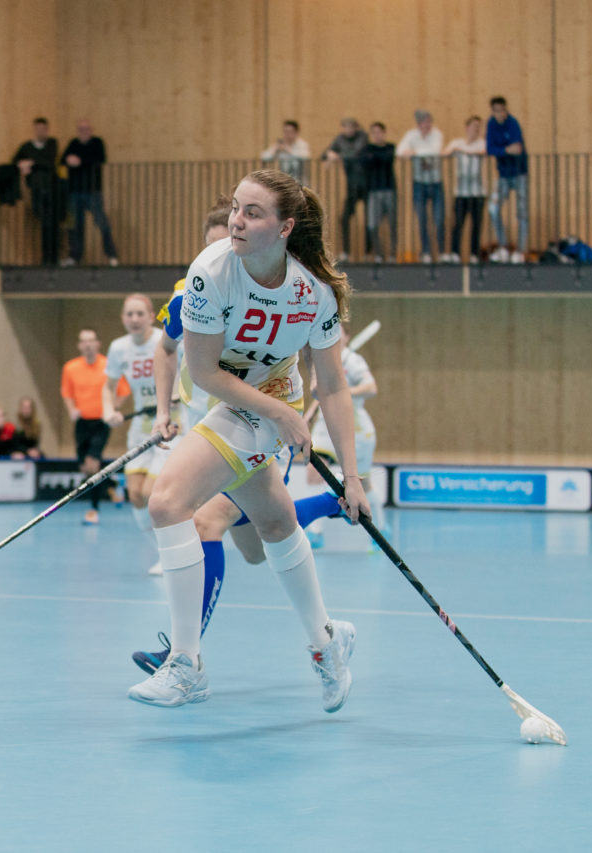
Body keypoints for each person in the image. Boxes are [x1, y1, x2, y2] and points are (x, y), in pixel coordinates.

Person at [127, 169, 368, 711]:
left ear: (285, 228)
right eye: (236, 208)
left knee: (168, 502)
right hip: (234, 403)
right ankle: (328, 641)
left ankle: (185, 665)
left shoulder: (315, 292)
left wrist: (351, 477)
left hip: (263, 403)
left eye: (252, 213)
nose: (236, 220)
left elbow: (333, 386)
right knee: (274, 528)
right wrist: (280, 416)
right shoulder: (209, 272)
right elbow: (203, 371)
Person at [103, 293, 178, 575]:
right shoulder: (118, 347)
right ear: (123, 318)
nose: (134, 319)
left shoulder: (165, 340)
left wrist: (175, 396)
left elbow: (187, 371)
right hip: (140, 429)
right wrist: (109, 410)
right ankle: (164, 554)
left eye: (139, 314)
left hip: (171, 425)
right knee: (135, 494)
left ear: (150, 316)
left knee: (151, 493)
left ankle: (176, 551)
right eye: (129, 314)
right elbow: (108, 386)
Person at [304, 323, 384, 545]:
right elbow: (321, 393)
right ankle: (316, 533)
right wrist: (310, 414)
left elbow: (371, 388)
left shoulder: (354, 361)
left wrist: (342, 392)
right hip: (325, 425)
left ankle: (381, 530)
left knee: (363, 484)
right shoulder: (323, 359)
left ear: (347, 337)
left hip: (355, 427)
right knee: (314, 473)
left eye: (339, 333)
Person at [61, 329, 126, 524]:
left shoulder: (108, 366)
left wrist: (112, 409)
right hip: (82, 423)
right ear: (79, 345)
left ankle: (93, 510)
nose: (88, 345)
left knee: (92, 463)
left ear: (98, 344)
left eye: (91, 341)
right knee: (85, 467)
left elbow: (123, 391)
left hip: (101, 422)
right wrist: (72, 410)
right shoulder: (71, 368)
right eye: (83, 341)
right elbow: (66, 392)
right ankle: (112, 483)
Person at [61, 119, 119, 267]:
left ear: (90, 130)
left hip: (92, 191)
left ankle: (112, 254)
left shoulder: (97, 143)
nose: (83, 132)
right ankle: (74, 256)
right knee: (74, 225)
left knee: (102, 222)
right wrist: (69, 159)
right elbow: (62, 159)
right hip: (75, 191)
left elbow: (100, 158)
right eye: (80, 129)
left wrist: (79, 161)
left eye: (86, 129)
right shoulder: (73, 143)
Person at [397, 109, 449, 263]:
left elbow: (435, 151)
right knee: (422, 219)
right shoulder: (411, 135)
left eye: (429, 121)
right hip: (419, 182)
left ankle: (440, 252)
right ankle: (425, 251)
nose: (427, 125)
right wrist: (419, 154)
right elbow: (400, 151)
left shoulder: (437, 134)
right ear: (419, 124)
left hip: (436, 182)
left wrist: (414, 153)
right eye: (424, 122)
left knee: (439, 219)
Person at [13, 117, 62, 265]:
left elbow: (49, 162)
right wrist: (23, 164)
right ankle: (46, 257)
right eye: (38, 129)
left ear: (47, 130)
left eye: (43, 129)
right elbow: (15, 161)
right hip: (37, 189)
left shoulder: (52, 143)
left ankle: (53, 257)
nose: (41, 132)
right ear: (34, 130)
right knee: (44, 222)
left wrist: (31, 162)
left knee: (53, 223)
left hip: (52, 189)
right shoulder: (26, 146)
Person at [486, 96, 529, 263]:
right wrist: (505, 150)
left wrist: (501, 150)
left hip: (520, 173)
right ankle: (503, 246)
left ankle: (520, 250)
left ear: (506, 110)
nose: (500, 114)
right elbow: (490, 149)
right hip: (503, 175)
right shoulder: (491, 125)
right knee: (493, 208)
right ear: (493, 112)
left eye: (502, 110)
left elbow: (517, 149)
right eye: (496, 111)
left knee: (522, 212)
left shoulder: (513, 123)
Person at [323, 117, 370, 261]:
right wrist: (329, 155)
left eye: (350, 127)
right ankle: (346, 251)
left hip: (367, 184)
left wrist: (337, 155)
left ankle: (368, 252)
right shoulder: (340, 139)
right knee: (344, 218)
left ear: (356, 127)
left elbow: (356, 153)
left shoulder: (363, 137)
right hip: (352, 186)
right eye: (345, 127)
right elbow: (325, 154)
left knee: (369, 219)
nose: (348, 130)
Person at [443, 116, 488, 263]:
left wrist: (465, 152)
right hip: (461, 192)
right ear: (467, 127)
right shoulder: (457, 143)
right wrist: (458, 149)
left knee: (476, 225)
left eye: (479, 127)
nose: (476, 129)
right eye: (474, 126)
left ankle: (474, 253)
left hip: (477, 192)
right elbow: (445, 153)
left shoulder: (483, 143)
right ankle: (455, 252)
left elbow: (485, 152)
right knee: (458, 224)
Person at [360, 122, 397, 262]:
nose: (376, 135)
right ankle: (379, 253)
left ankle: (393, 254)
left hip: (389, 189)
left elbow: (387, 159)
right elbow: (364, 161)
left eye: (379, 132)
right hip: (374, 190)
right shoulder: (367, 149)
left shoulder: (390, 147)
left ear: (384, 133)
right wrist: (375, 157)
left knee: (392, 223)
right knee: (372, 224)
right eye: (374, 133)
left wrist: (374, 157)